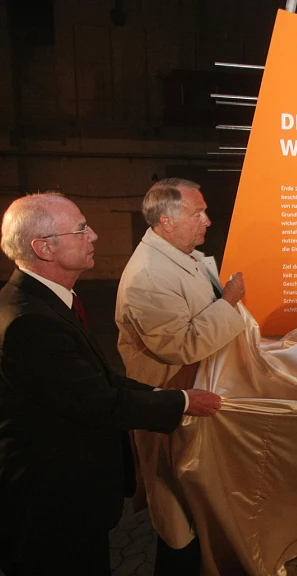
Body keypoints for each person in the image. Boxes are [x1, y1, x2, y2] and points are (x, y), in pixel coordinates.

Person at [0, 193, 223, 576]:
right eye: (81, 228)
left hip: (64, 494)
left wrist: (158, 393)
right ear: (44, 247)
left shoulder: (45, 301)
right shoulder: (29, 321)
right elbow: (100, 403)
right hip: (52, 503)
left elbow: (95, 378)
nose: (95, 235)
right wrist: (184, 402)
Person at [115, 178, 247, 575]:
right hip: (171, 399)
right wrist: (229, 302)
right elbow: (182, 345)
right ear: (167, 221)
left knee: (189, 502)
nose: (207, 220)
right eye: (197, 213)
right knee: (174, 513)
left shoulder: (181, 256)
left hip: (192, 396)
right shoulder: (148, 277)